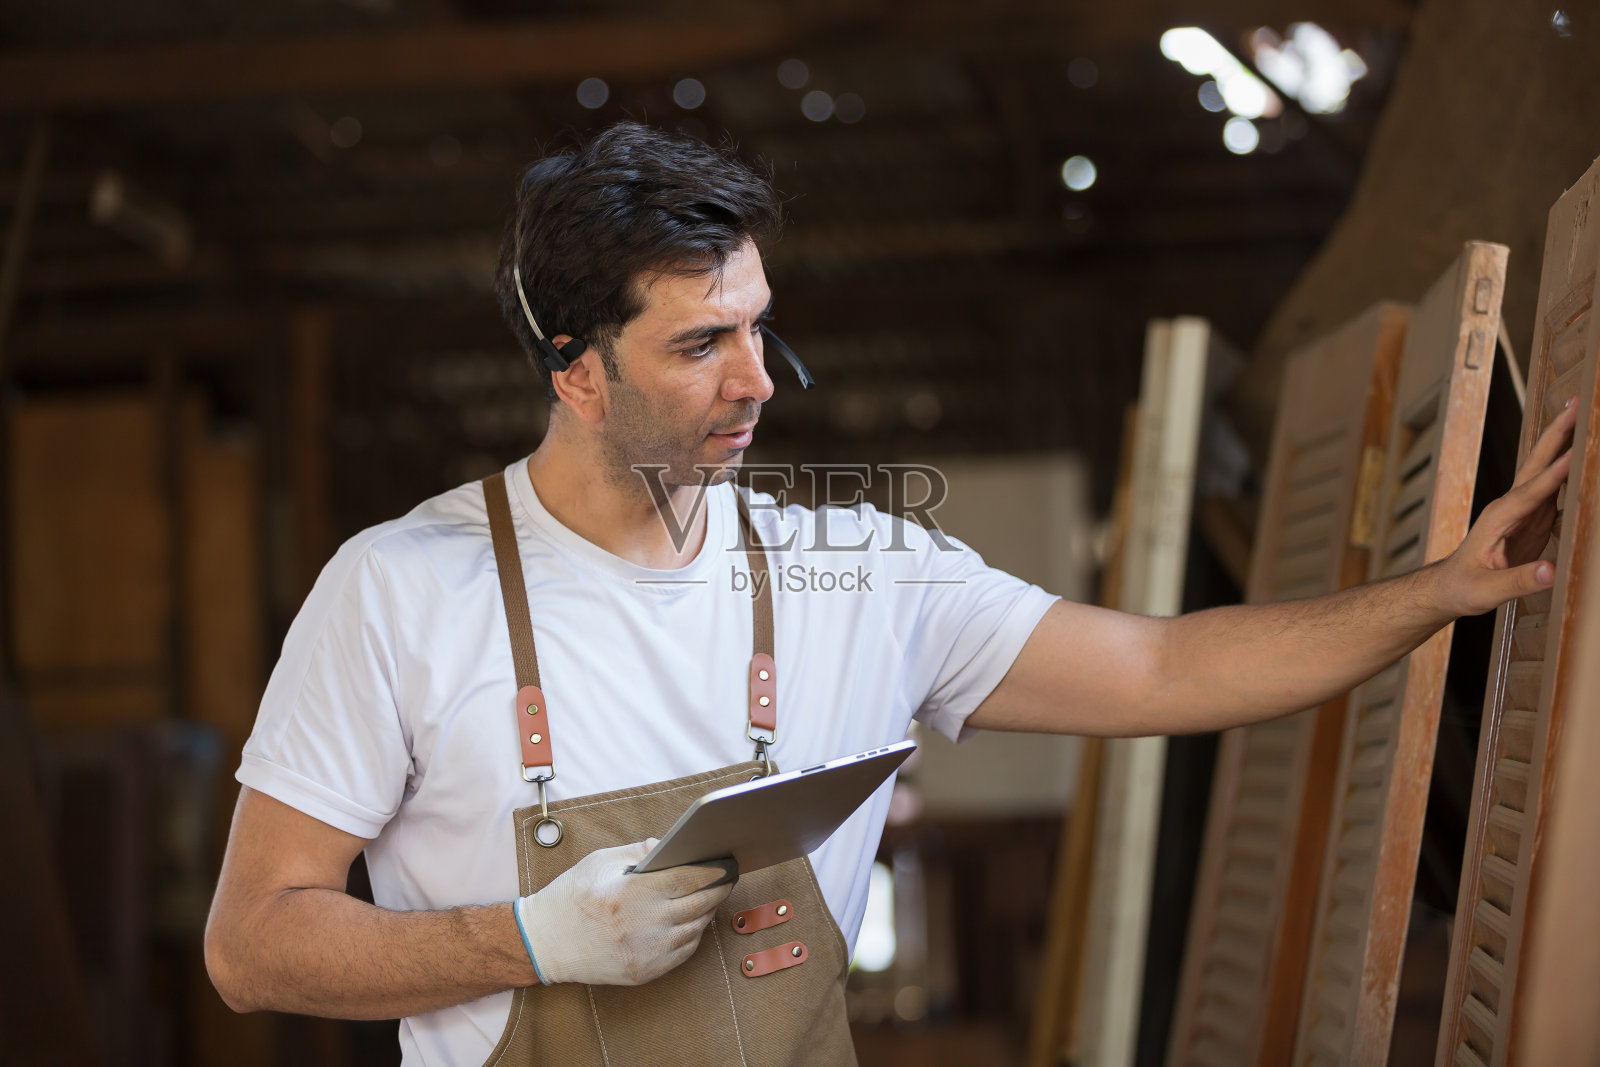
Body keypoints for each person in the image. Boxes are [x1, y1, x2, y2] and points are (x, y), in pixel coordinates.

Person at [204, 122, 1576, 1066]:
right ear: (576, 372)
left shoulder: (858, 575)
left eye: (756, 324)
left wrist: (1439, 590)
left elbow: (1164, 672)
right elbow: (255, 946)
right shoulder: (396, 592)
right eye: (701, 344)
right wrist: (527, 940)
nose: (757, 378)